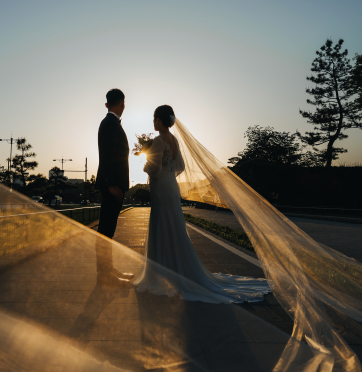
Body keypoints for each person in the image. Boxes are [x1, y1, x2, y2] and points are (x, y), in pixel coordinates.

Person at [132, 105, 272, 303]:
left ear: (160, 120)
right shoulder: (175, 140)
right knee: (173, 224)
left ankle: (159, 273)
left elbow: (153, 167)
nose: (153, 122)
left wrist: (146, 166)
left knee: (161, 225)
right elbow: (179, 166)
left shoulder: (158, 141)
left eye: (154, 119)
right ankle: (178, 269)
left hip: (161, 187)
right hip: (171, 186)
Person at [94, 88, 133, 283]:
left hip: (115, 185)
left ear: (107, 104)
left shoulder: (110, 123)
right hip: (112, 186)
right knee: (105, 230)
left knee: (108, 229)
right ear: (122, 104)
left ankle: (107, 271)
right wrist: (111, 185)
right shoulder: (110, 124)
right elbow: (108, 156)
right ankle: (105, 274)